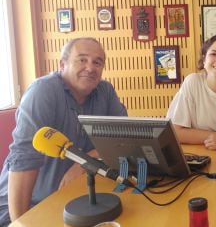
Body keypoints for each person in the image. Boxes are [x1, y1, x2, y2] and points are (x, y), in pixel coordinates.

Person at [0, 37, 127, 225]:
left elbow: (124, 136)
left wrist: (84, 162)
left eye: (97, 62)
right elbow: (23, 159)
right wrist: (20, 222)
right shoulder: (43, 92)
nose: (90, 68)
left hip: (76, 200)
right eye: (82, 59)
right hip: (28, 207)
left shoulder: (105, 91)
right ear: (62, 64)